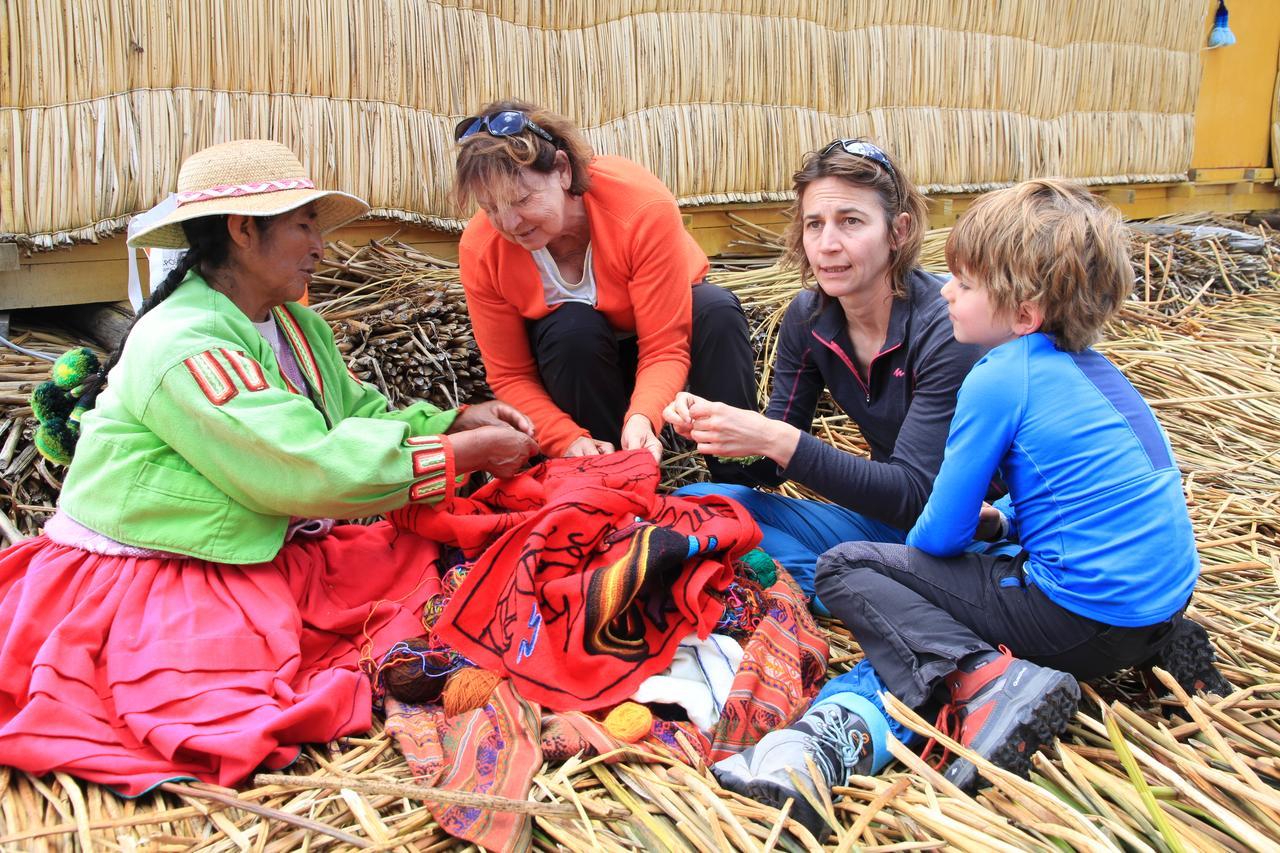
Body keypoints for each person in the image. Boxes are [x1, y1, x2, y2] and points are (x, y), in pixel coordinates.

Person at [0, 140, 539, 794]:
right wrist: (462, 456)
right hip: (164, 569)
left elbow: (352, 416)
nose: (320, 244)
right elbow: (299, 468)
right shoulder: (183, 342)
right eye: (305, 223)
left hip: (255, 545)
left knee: (434, 579)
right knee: (222, 707)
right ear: (243, 230)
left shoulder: (293, 326)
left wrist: (449, 422)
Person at [715, 179, 1228, 838]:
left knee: (848, 567)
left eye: (965, 280)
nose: (946, 290)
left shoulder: (997, 373)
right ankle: (1162, 645)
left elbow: (939, 531)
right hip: (1161, 604)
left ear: (1025, 311)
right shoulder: (1095, 369)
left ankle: (983, 682)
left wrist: (926, 565)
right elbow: (1100, 484)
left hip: (1079, 620)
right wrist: (1007, 521)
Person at [666, 139, 993, 601]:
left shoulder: (947, 327)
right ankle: (848, 592)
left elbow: (917, 494)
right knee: (701, 501)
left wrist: (773, 438)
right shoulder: (810, 317)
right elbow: (769, 471)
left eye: (851, 222)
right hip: (885, 523)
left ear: (898, 231)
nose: (828, 244)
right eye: (814, 225)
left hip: (964, 535)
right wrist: (719, 431)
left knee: (738, 528)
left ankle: (845, 591)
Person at [453, 100, 757, 477]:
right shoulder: (482, 249)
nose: (510, 222)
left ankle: (742, 475)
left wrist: (644, 417)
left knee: (715, 311)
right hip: (578, 367)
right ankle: (608, 478)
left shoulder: (639, 207)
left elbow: (664, 347)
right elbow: (510, 375)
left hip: (656, 348)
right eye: (491, 208)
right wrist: (563, 438)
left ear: (562, 171)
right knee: (571, 331)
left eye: (522, 200)